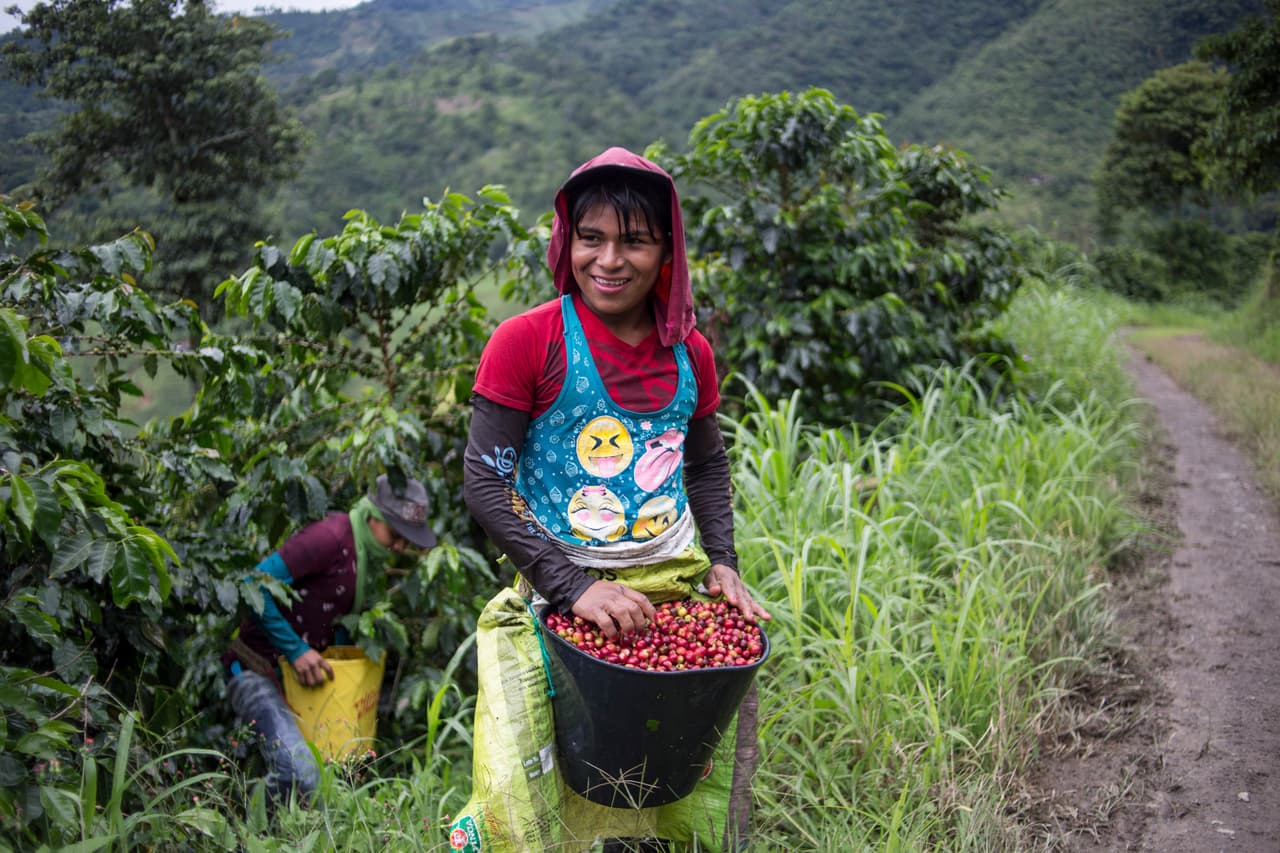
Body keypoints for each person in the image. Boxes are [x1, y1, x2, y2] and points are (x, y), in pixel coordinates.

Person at [461, 147, 771, 851]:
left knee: (683, 768)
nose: (608, 259)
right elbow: (485, 483)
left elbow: (706, 464)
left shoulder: (689, 352)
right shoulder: (527, 341)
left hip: (673, 585)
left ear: (667, 252)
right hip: (558, 591)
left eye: (634, 240)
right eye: (590, 238)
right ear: (566, 241)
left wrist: (723, 561)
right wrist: (575, 588)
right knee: (538, 779)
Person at [221, 474, 437, 801]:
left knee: (330, 774)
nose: (399, 548)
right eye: (396, 535)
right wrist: (295, 650)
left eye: (407, 541)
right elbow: (254, 584)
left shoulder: (366, 557)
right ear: (372, 516)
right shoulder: (330, 537)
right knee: (300, 773)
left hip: (305, 685)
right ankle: (247, 819)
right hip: (256, 669)